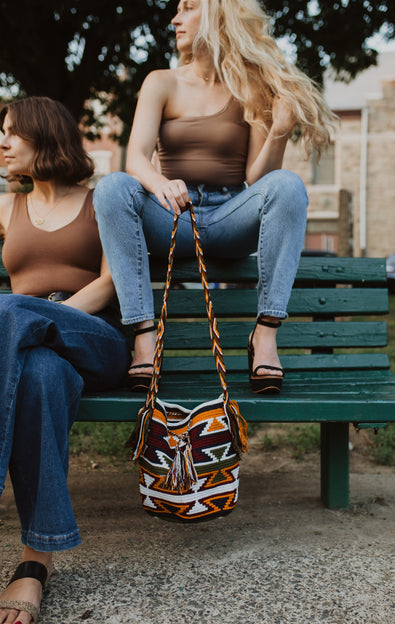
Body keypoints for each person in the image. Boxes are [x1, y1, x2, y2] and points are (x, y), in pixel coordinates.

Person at [94, 0, 336, 394]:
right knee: (111, 187)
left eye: (188, 8)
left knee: (289, 184)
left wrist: (280, 131)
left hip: (229, 218)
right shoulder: (161, 82)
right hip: (171, 216)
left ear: (219, 16)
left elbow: (258, 180)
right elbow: (136, 158)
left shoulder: (250, 88)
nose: (175, 19)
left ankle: (265, 335)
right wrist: (160, 184)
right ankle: (143, 335)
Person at [0, 96, 130, 624]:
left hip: (95, 335)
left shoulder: (104, 201)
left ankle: (27, 324)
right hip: (28, 351)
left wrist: (42, 319)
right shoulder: (6, 207)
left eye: (12, 132)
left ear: (45, 137)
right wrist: (30, 326)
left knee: (10, 311)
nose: (2, 142)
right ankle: (36, 563)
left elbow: (112, 280)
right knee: (38, 374)